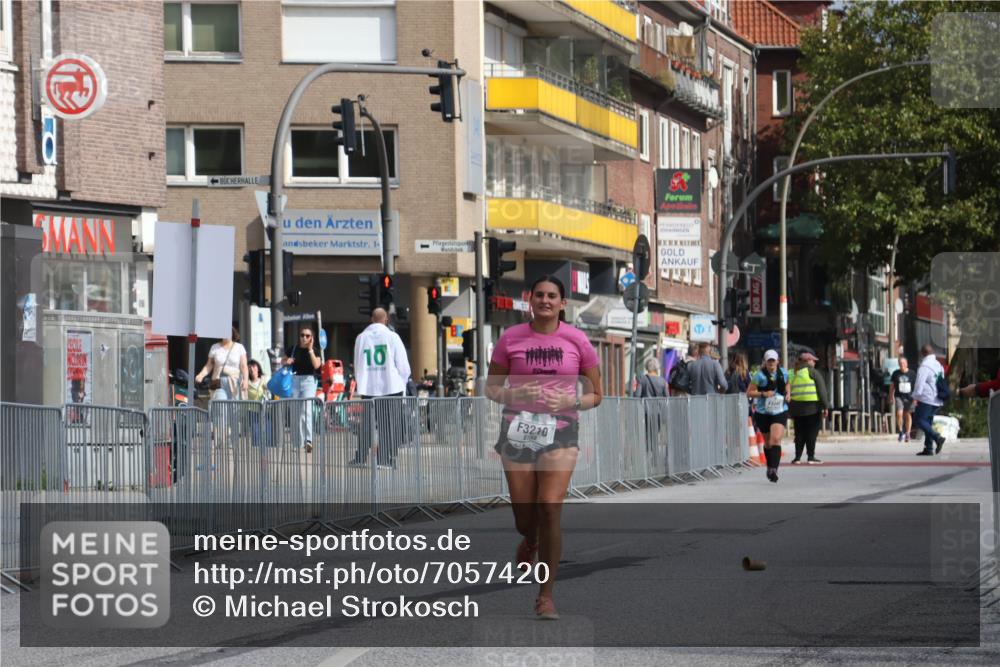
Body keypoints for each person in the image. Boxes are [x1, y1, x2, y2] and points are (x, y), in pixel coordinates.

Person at [486, 275, 602, 620]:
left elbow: (598, 394)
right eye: (540, 295)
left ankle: (545, 596)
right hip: (518, 431)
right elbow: (491, 388)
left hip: (562, 430)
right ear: (530, 299)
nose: (546, 301)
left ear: (562, 303)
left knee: (550, 506)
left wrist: (571, 399)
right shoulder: (510, 339)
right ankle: (530, 540)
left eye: (552, 296)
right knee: (525, 517)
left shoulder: (578, 340)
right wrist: (515, 394)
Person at [351, 308, 411, 468]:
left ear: (371, 319)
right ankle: (385, 459)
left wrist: (362, 382)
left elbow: (357, 363)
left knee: (366, 425)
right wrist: (402, 383)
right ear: (386, 320)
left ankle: (360, 457)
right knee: (388, 425)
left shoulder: (361, 338)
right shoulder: (392, 337)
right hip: (391, 386)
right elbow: (404, 366)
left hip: (368, 387)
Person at [748, 349, 791, 482]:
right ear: (765, 362)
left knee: (775, 439)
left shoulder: (783, 373)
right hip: (763, 412)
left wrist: (788, 393)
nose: (771, 363)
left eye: (773, 361)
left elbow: (788, 383)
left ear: (778, 361)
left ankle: (774, 470)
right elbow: (749, 392)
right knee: (767, 443)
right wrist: (763, 394)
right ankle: (769, 467)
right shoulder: (759, 376)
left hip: (780, 410)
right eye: (769, 361)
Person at [284, 326, 322, 453]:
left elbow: (317, 365)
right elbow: (282, 360)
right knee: (295, 411)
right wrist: (286, 360)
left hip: (308, 381)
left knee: (306, 410)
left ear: (312, 338)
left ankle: (308, 440)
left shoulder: (315, 351)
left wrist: (310, 350)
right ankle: (296, 442)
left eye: (307, 336)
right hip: (294, 380)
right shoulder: (293, 349)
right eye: (302, 335)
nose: (304, 338)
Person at [788, 351, 831, 464]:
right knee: (811, 433)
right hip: (812, 408)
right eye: (813, 360)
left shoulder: (793, 373)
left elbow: (787, 388)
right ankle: (811, 457)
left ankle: (797, 458)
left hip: (797, 409)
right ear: (807, 361)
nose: (815, 362)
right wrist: (826, 406)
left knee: (799, 433)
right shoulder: (813, 372)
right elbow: (822, 391)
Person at [912, 344, 947, 456]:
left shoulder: (924, 366)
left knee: (918, 420)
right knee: (927, 422)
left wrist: (915, 397)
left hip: (927, 398)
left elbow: (919, 384)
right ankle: (929, 448)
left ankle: (937, 437)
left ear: (923, 353)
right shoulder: (938, 365)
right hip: (938, 398)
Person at [195, 327, 248, 401]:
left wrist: (245, 380)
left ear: (232, 333)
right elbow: (209, 365)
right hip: (218, 382)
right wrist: (201, 375)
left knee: (234, 409)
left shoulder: (239, 347)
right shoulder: (215, 347)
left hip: (235, 382)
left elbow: (243, 366)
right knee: (220, 406)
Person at [726, 352, 755, 452]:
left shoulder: (728, 372)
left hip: (729, 403)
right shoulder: (745, 373)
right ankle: (742, 450)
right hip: (742, 403)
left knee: (731, 427)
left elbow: (725, 387)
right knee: (742, 427)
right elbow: (750, 388)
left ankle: (732, 448)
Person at [889, 357, 917, 442]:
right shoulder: (895, 373)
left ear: (906, 364)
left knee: (907, 414)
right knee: (899, 413)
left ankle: (908, 433)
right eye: (900, 364)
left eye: (903, 363)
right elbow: (892, 386)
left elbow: (916, 387)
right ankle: (901, 431)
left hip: (910, 397)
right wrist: (891, 396)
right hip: (899, 396)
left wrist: (916, 398)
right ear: (898, 364)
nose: (902, 365)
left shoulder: (912, 373)